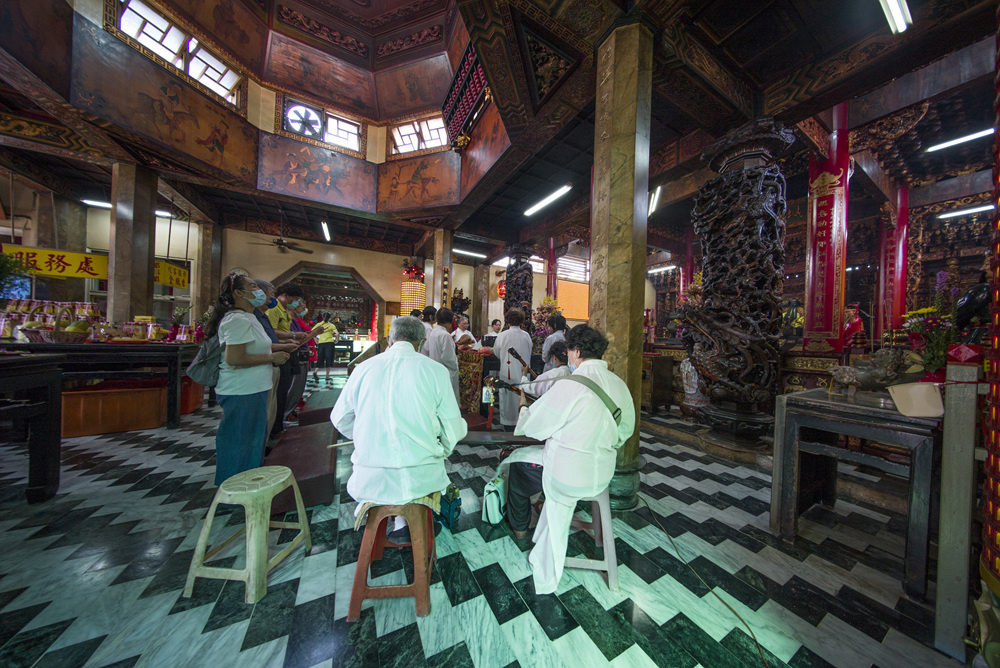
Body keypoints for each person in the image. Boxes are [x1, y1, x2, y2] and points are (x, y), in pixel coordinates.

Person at [511, 325, 636, 594]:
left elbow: (534, 427)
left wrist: (523, 408)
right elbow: (625, 431)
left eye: (569, 350)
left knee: (521, 464)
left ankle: (546, 569)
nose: (568, 355)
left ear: (576, 351)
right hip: (603, 476)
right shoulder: (619, 385)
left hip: (566, 478)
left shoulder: (569, 385)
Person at [331, 315, 467, 512]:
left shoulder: (363, 369)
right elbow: (453, 426)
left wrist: (366, 437)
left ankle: (399, 524)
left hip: (370, 478)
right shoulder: (436, 371)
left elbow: (340, 418)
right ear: (421, 343)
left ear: (389, 340)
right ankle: (404, 524)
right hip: (422, 477)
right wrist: (441, 450)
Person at [205, 274, 290, 485]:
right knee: (238, 442)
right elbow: (234, 358)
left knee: (252, 441)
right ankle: (233, 488)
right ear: (238, 293)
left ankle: (250, 485)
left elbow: (257, 347)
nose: (259, 291)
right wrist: (271, 357)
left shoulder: (249, 317)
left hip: (254, 388)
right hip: (241, 390)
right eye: (253, 286)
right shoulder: (236, 319)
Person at [266, 284, 316, 437]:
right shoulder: (274, 310)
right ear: (285, 296)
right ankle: (275, 427)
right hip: (278, 354)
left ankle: (279, 424)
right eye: (294, 300)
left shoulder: (282, 311)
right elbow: (271, 333)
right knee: (280, 393)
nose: (295, 303)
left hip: (287, 353)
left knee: (283, 391)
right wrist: (293, 336)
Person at [254, 280, 299, 438]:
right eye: (270, 295)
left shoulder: (269, 314)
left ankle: (276, 428)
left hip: (279, 354)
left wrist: (284, 343)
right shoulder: (255, 316)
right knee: (272, 399)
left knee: (279, 397)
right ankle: (272, 431)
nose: (270, 299)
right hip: (266, 363)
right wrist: (289, 339)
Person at [492, 308, 533, 429]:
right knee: (521, 397)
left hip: (507, 373)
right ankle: (522, 424)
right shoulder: (526, 336)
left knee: (508, 400)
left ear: (508, 321)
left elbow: (496, 352)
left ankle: (508, 425)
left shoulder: (502, 335)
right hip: (523, 374)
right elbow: (529, 353)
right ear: (521, 321)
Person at [284, 303, 314, 421]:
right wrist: (314, 333)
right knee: (293, 386)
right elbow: (297, 339)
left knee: (298, 386)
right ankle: (287, 413)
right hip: (295, 355)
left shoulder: (296, 321)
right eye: (302, 307)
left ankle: (291, 410)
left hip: (302, 355)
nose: (304, 310)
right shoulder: (289, 320)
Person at [424, 307, 460, 403]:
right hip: (445, 371)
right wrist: (455, 364)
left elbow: (427, 348)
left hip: (434, 370)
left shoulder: (433, 332)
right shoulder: (445, 335)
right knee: (447, 400)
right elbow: (447, 358)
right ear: (450, 320)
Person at [314, 311, 339, 383]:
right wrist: (336, 340)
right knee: (329, 358)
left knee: (320, 357)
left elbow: (311, 332)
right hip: (329, 343)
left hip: (321, 343)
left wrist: (315, 339)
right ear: (330, 318)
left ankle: (315, 371)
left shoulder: (319, 324)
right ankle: (327, 376)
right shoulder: (331, 325)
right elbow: (337, 334)